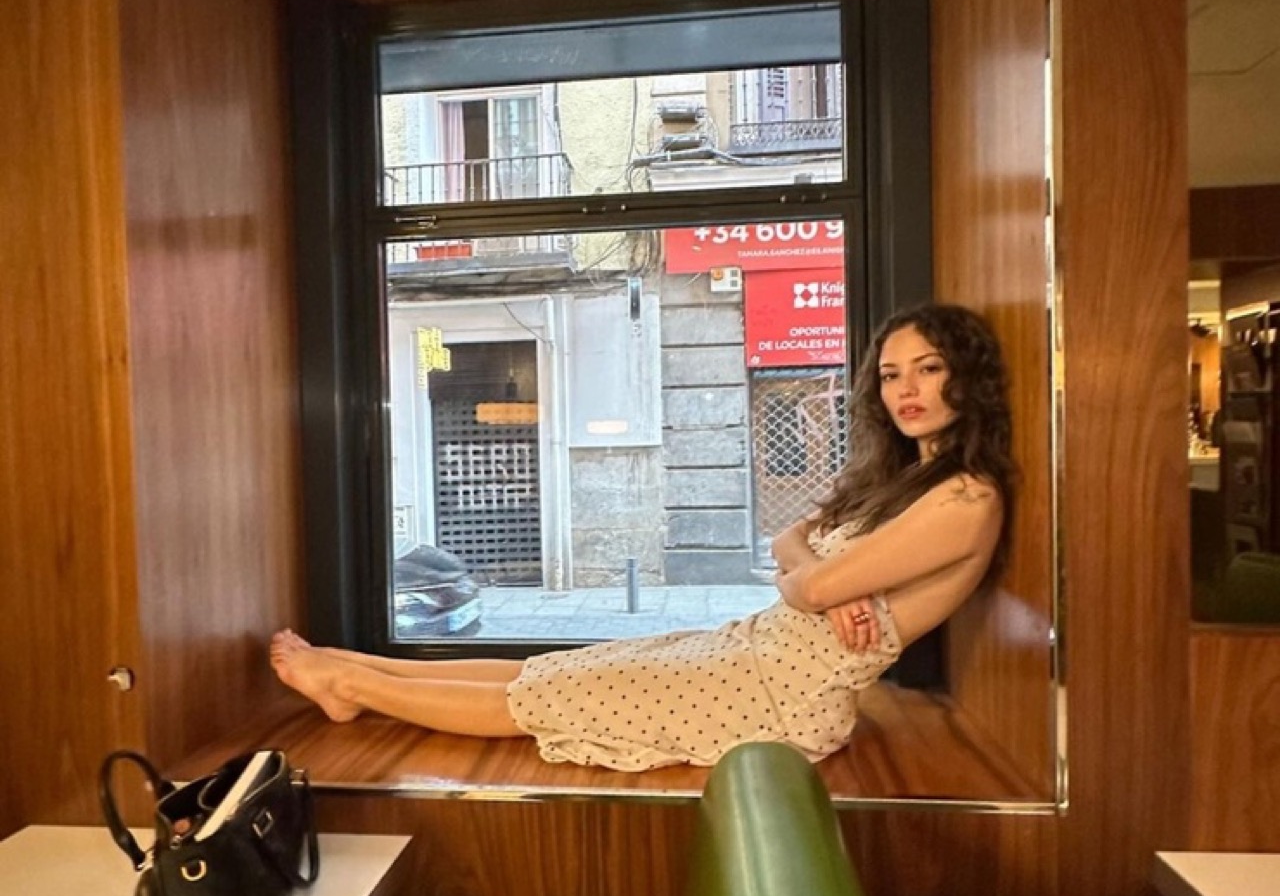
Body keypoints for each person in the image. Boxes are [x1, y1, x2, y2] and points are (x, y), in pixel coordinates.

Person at [270, 302, 1016, 770]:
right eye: (891, 375)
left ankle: (352, 687)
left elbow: (811, 580)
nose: (905, 390)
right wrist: (824, 585)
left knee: (551, 699)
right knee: (557, 667)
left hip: (780, 697)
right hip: (750, 651)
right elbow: (791, 540)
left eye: (928, 369)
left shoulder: (967, 497)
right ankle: (354, 662)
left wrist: (824, 586)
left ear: (966, 378)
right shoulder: (904, 480)